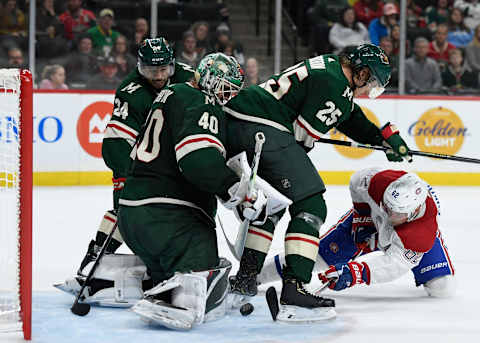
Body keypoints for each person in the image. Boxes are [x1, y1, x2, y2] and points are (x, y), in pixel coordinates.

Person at [224, 44, 412, 321]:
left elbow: (348, 114)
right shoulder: (335, 83)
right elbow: (302, 138)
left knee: (271, 206)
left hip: (241, 123)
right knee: (310, 202)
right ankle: (295, 288)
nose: (367, 90)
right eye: (370, 82)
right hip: (263, 127)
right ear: (360, 73)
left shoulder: (331, 72)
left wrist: (382, 139)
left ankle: (245, 279)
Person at [119, 53, 287, 330]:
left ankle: (147, 282)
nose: (227, 96)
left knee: (169, 274)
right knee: (206, 281)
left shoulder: (170, 94)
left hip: (133, 217)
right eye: (224, 88)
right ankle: (180, 300)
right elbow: (197, 161)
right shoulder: (202, 101)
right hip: (173, 221)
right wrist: (237, 191)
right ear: (210, 79)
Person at [74, 38, 195, 276]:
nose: (159, 76)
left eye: (163, 69)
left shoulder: (189, 77)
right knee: (125, 209)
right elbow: (115, 144)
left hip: (177, 157)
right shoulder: (131, 91)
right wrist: (136, 175)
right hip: (136, 160)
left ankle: (176, 259)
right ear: (140, 66)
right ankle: (97, 254)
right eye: (151, 70)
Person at [258, 168, 455, 299]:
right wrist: (362, 215)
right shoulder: (380, 182)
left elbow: (392, 265)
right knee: (318, 256)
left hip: (405, 240)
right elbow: (357, 181)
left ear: (413, 212)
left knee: (442, 288)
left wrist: (355, 274)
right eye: (387, 206)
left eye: (396, 212)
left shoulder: (419, 234)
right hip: (370, 219)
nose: (389, 213)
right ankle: (255, 275)